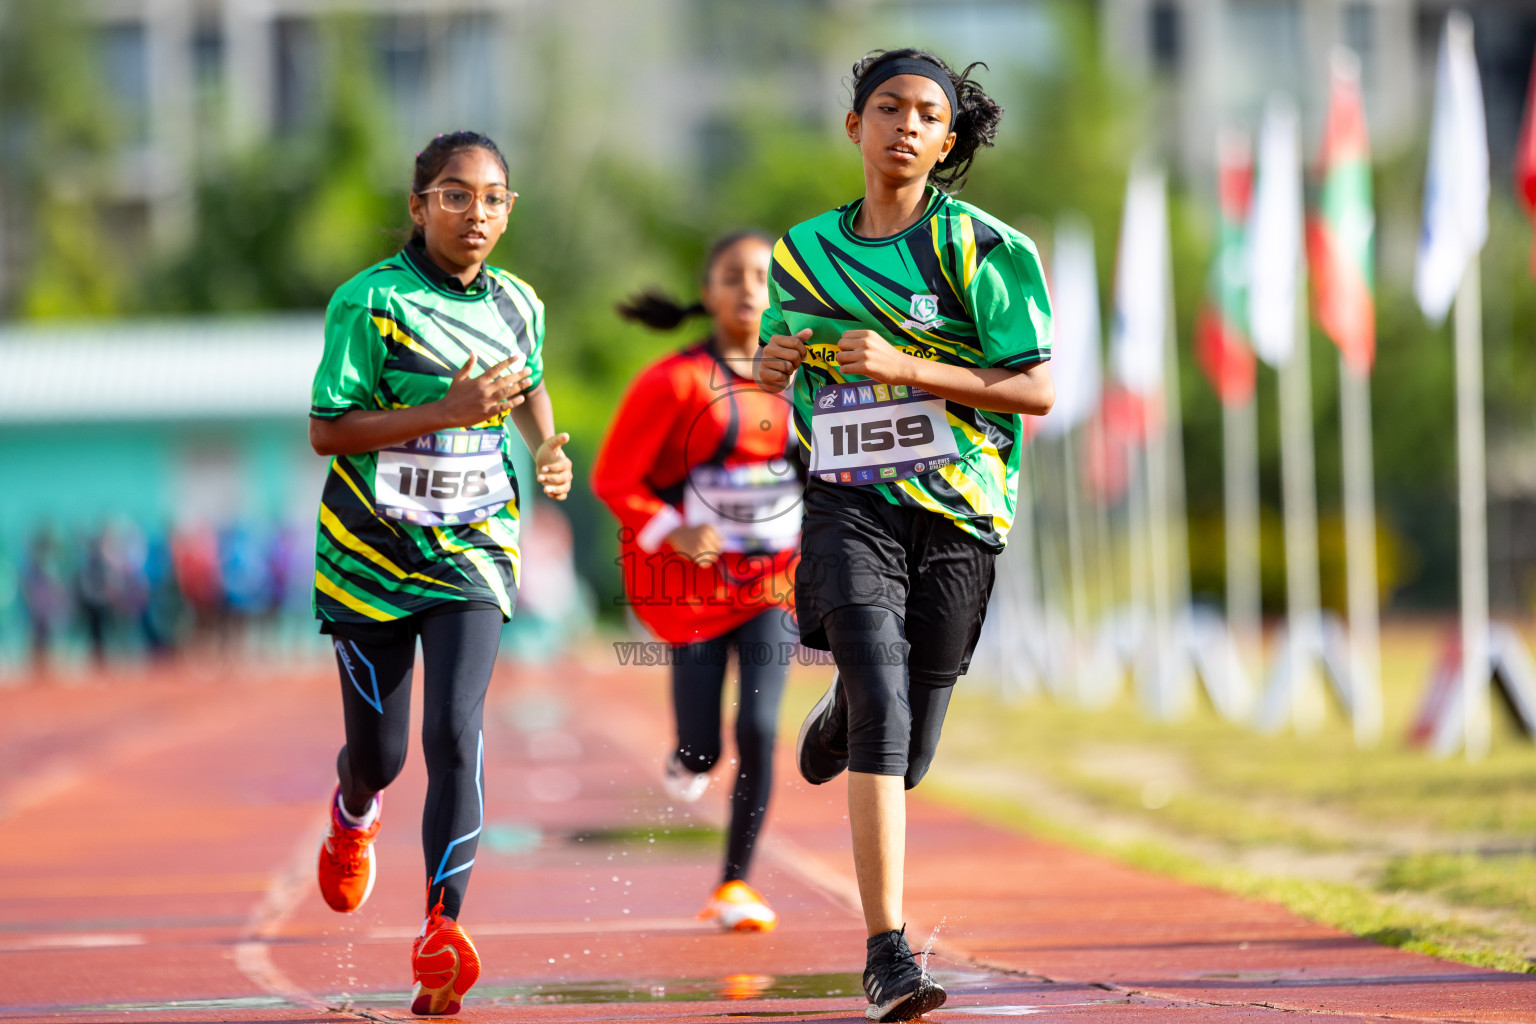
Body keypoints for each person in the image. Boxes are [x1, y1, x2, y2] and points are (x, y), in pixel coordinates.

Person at [756, 49, 1053, 1022]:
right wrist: (773, 368)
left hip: (961, 512)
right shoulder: (801, 250)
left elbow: (1037, 389)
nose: (906, 126)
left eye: (929, 114)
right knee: (887, 703)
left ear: (950, 140)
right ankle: (886, 951)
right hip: (850, 499)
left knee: (906, 748)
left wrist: (910, 365)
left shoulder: (984, 249)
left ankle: (844, 713)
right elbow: (781, 381)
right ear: (854, 126)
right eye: (888, 108)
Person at [307, 130, 572, 1017]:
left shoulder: (522, 303)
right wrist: (445, 409)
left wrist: (546, 447)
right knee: (381, 759)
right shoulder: (369, 303)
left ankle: (440, 929)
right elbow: (328, 430)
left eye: (494, 198)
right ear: (419, 206)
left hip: (473, 545)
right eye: (456, 196)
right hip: (369, 556)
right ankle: (352, 811)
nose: (477, 214)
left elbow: (528, 380)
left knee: (455, 735)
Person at [593, 231, 801, 933]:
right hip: (696, 594)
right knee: (700, 749)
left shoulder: (806, 380)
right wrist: (672, 530)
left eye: (763, 276)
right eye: (732, 276)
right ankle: (689, 755)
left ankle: (735, 884)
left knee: (763, 725)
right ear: (707, 293)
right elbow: (613, 478)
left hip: (773, 584)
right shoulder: (673, 383)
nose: (749, 289)